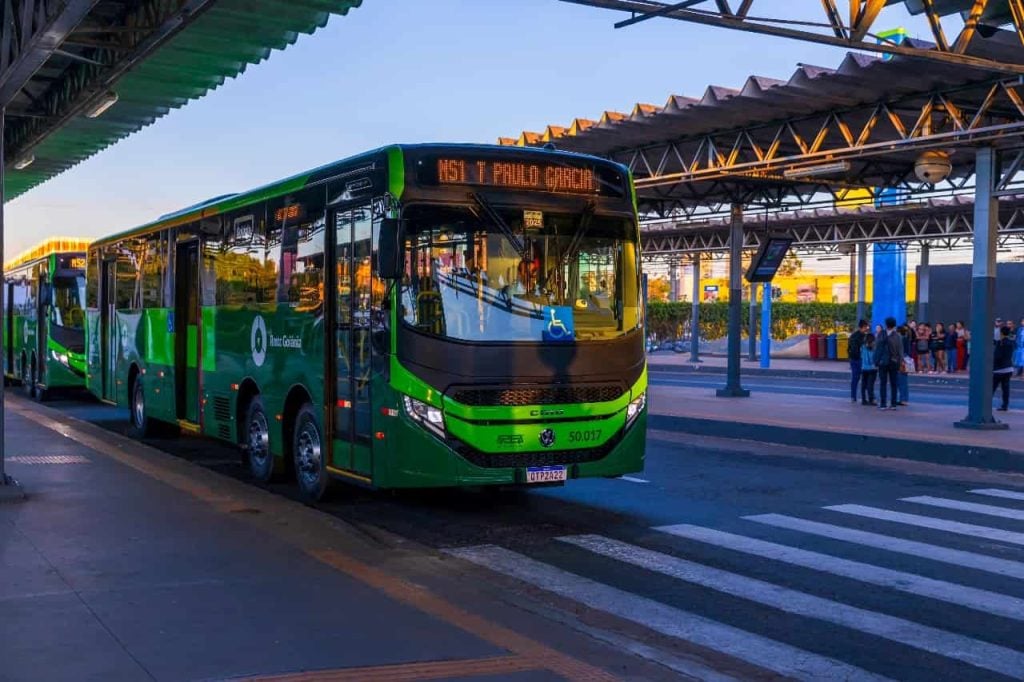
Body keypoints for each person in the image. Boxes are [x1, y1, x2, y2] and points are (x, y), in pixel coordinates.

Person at [874, 317, 902, 410]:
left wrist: (876, 361)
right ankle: (893, 404)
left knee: (883, 383)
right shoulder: (897, 336)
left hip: (882, 362)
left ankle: (883, 404)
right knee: (894, 383)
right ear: (894, 325)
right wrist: (899, 362)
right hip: (894, 362)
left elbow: (877, 348)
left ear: (886, 324)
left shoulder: (881, 334)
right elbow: (900, 351)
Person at [994, 325, 1014, 411]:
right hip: (1009, 367)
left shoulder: (1000, 343)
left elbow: (997, 356)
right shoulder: (1011, 343)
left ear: (1001, 333)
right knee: (1005, 388)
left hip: (999, 369)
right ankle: (1005, 405)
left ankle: (984, 406)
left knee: (992, 387)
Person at [848, 320, 868, 403]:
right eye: (866, 327)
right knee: (864, 378)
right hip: (860, 359)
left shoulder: (853, 336)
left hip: (853, 359)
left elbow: (849, 348)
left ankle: (853, 396)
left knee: (855, 378)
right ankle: (864, 397)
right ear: (863, 327)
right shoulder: (863, 336)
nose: (867, 328)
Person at [860, 334, 877, 405]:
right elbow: (874, 358)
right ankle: (871, 399)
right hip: (872, 368)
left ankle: (863, 399)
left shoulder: (862, 347)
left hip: (864, 367)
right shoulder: (874, 348)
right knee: (870, 385)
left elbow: (861, 356)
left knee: (863, 384)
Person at [897, 325, 911, 406]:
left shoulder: (901, 339)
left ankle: (903, 399)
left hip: (901, 360)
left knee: (900, 380)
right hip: (906, 359)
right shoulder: (906, 338)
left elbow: (900, 351)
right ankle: (904, 399)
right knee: (904, 380)